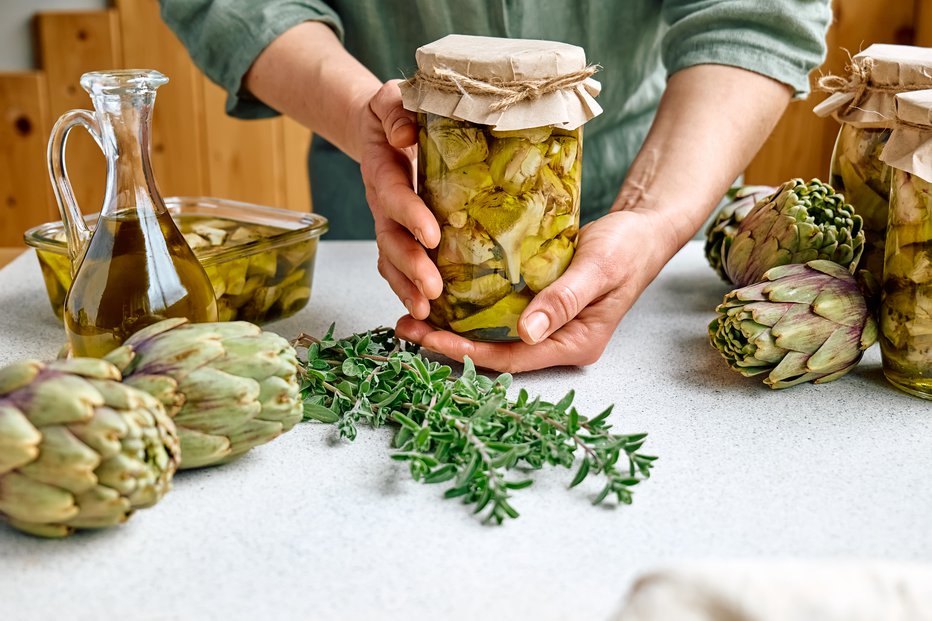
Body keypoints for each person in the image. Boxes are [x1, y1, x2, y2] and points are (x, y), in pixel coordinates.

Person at [160, 0, 831, 372]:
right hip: (382, 211)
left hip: (668, 209)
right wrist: (370, 117)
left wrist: (649, 218)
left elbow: (758, 10)